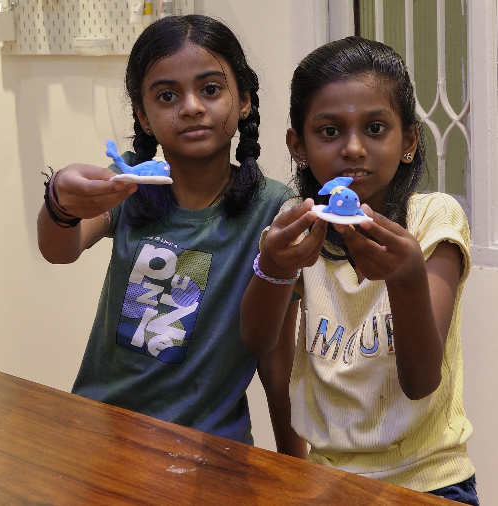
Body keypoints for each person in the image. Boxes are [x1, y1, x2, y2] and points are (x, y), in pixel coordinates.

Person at [37, 14, 306, 457]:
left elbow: (276, 359)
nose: (191, 107)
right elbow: (58, 249)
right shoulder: (130, 182)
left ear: (243, 101)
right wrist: (60, 203)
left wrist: (296, 470)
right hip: (102, 436)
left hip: (210, 452)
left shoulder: (274, 210)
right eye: (167, 96)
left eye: (211, 89)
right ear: (143, 117)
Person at [240, 37, 478, 504]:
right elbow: (257, 341)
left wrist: (405, 279)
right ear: (298, 145)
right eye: (329, 131)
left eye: (375, 128)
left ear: (408, 141)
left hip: (431, 480)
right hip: (327, 480)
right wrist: (273, 267)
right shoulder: (296, 220)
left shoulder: (433, 219)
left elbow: (421, 381)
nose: (353, 149)